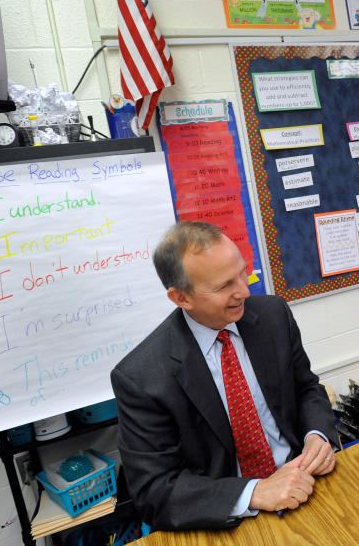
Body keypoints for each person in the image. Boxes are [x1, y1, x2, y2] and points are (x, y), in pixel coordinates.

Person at [110, 221, 340, 529]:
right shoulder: (141, 377)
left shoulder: (273, 316)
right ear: (181, 298)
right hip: (224, 518)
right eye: (223, 286)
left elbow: (306, 389)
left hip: (304, 487)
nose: (244, 291)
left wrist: (317, 436)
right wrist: (254, 492)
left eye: (243, 273)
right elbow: (155, 491)